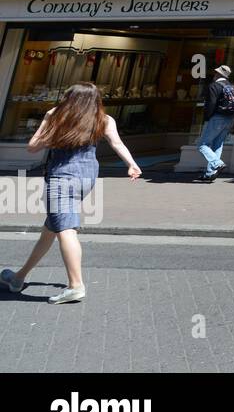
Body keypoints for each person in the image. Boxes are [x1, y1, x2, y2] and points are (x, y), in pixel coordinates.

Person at [1, 83, 141, 304]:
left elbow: (33, 146)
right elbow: (117, 143)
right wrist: (132, 164)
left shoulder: (55, 114)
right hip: (86, 177)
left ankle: (75, 285)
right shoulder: (103, 119)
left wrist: (55, 130)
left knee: (65, 229)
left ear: (70, 98)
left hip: (62, 177)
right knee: (51, 228)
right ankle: (18, 278)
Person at [196, 64, 234, 181]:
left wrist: (207, 118)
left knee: (202, 144)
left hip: (217, 118)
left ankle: (217, 163)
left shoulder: (214, 86)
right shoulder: (233, 87)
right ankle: (210, 173)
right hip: (230, 118)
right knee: (218, 145)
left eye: (215, 73)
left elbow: (211, 103)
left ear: (218, 74)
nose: (214, 74)